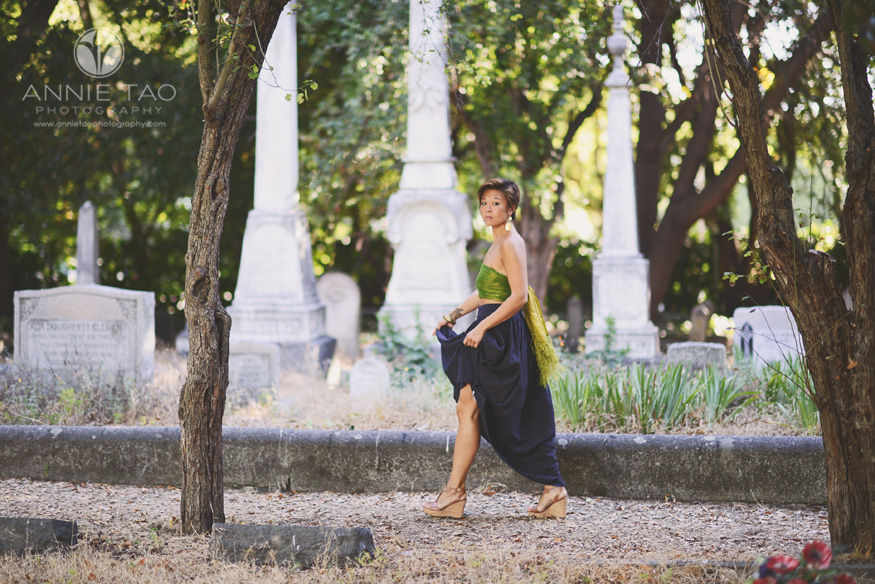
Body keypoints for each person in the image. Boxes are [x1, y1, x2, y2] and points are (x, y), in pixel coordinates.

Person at [423, 178, 567, 520]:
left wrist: (482, 326)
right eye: (485, 203)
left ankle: (456, 494)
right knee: (468, 406)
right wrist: (455, 315)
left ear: (511, 208)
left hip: (500, 334)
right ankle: (457, 493)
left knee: (483, 408)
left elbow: (517, 296)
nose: (489, 210)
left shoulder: (510, 243)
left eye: (496, 204)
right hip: (489, 328)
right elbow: (487, 292)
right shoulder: (497, 242)